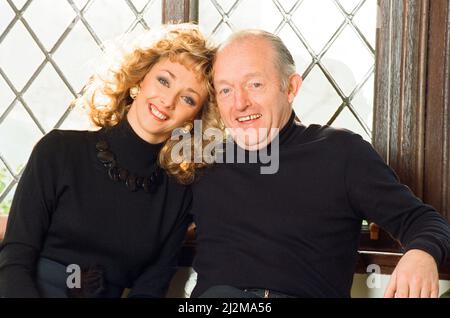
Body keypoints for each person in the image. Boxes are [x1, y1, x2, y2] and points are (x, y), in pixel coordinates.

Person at [190, 30, 450, 298]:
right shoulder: (203, 160)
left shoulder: (341, 153)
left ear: (291, 87)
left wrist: (421, 253)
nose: (240, 103)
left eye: (254, 84)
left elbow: (424, 221)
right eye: (225, 90)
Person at [0, 24, 217, 298]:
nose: (168, 101)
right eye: (164, 80)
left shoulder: (178, 193)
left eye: (187, 98)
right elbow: (15, 261)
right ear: (140, 79)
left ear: (194, 119)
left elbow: (150, 290)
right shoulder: (58, 152)